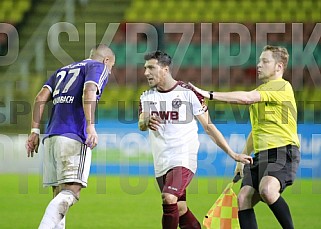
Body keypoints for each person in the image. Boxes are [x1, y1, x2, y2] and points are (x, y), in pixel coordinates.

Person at [138, 50, 253, 229]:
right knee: (180, 207)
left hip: (183, 158)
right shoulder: (147, 96)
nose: (146, 73)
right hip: (161, 160)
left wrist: (232, 153)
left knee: (168, 198)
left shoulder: (188, 93)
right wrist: (146, 121)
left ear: (165, 69)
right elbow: (141, 122)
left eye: (151, 68)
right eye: (145, 68)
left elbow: (208, 126)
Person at [189, 45, 300, 229]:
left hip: (282, 151)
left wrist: (209, 94)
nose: (258, 65)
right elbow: (256, 130)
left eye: (265, 61)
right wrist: (241, 159)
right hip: (260, 155)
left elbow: (247, 98)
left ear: (279, 67)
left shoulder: (282, 86)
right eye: (259, 61)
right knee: (243, 199)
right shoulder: (263, 91)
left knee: (267, 190)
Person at [26, 44, 115, 229]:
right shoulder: (98, 67)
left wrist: (34, 131)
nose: (110, 71)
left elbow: (40, 98)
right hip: (73, 135)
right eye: (112, 66)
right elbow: (89, 90)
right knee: (71, 192)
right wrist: (90, 126)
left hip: (51, 137)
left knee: (60, 195)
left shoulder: (62, 70)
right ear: (107, 60)